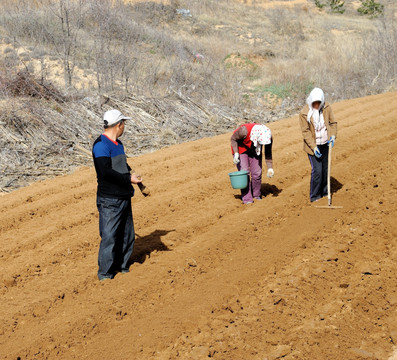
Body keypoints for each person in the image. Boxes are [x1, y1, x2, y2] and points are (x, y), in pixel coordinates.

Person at [92, 109, 142, 281]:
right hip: (109, 199)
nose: (124, 127)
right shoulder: (101, 145)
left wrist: (132, 176)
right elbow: (105, 172)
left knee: (127, 234)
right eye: (124, 124)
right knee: (109, 236)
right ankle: (105, 273)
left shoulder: (118, 144)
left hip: (124, 196)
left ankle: (122, 265)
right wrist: (129, 178)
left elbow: (122, 166)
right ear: (119, 125)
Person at [299, 88, 337, 202]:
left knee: (325, 169)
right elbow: (305, 132)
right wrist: (314, 147)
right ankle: (315, 196)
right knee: (317, 171)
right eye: (314, 103)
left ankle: (325, 192)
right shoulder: (304, 113)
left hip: (325, 143)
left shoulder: (327, 107)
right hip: (312, 146)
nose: (316, 105)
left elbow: (333, 123)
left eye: (318, 103)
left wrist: (333, 136)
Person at [231, 123, 274, 204]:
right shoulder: (244, 131)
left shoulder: (268, 136)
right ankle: (247, 199)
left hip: (255, 148)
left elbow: (268, 152)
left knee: (257, 173)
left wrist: (270, 168)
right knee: (244, 172)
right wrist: (236, 153)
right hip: (240, 148)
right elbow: (233, 139)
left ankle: (256, 195)